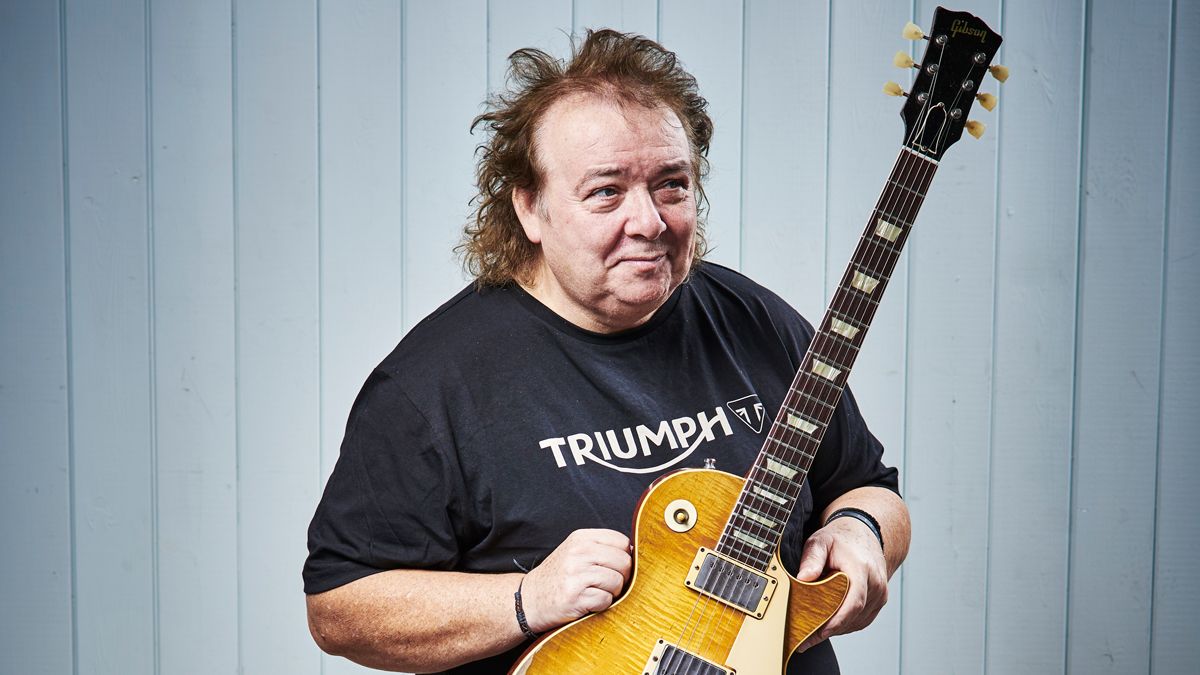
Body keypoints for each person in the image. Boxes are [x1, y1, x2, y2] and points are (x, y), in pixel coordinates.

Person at [303, 29, 910, 675]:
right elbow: (338, 607)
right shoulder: (433, 384)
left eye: (671, 184)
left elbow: (867, 486)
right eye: (606, 191)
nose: (648, 221)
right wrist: (524, 597)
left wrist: (862, 532)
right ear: (530, 209)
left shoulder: (756, 320)